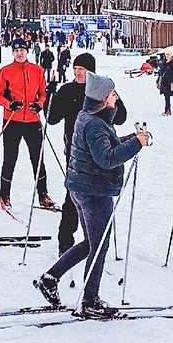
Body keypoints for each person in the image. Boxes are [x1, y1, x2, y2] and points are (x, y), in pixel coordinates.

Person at [34, 73, 150, 317]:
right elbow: (106, 159)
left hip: (82, 188)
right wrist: (136, 145)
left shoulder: (92, 118)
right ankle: (90, 300)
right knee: (99, 246)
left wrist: (134, 138)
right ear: (101, 99)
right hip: (93, 192)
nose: (116, 97)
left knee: (90, 244)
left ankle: (50, 278)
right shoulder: (95, 123)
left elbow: (109, 144)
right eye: (112, 94)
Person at [47, 52, 127, 254]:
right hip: (76, 152)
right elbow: (52, 118)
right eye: (75, 69)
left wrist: (115, 102)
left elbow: (121, 118)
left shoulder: (101, 90)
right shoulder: (68, 90)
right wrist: (50, 95)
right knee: (73, 196)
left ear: (91, 71)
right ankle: (65, 241)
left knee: (100, 197)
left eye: (82, 69)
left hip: (101, 150)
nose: (78, 73)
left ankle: (94, 241)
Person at [0, 38, 53, 210]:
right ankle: (4, 195)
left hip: (33, 121)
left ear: (27, 52)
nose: (20, 53)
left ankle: (43, 194)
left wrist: (39, 104)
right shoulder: (5, 71)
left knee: (38, 159)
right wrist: (9, 104)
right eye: (16, 50)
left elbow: (43, 93)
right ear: (12, 52)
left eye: (22, 50)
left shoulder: (37, 70)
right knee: (10, 159)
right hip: (12, 121)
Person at [157, 48, 173, 116]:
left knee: (167, 96)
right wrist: (158, 80)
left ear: (171, 55)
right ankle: (167, 109)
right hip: (164, 82)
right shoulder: (164, 63)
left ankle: (168, 110)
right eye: (166, 54)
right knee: (166, 96)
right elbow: (161, 72)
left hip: (169, 83)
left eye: (168, 54)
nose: (167, 56)